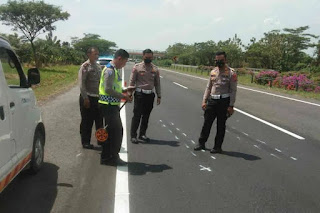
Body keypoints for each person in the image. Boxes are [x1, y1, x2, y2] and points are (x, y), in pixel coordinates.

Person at [194, 51, 237, 154]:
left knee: (220, 125)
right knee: (206, 123)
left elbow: (233, 90)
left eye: (221, 60)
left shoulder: (231, 73)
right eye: (217, 60)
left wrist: (231, 105)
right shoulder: (213, 72)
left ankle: (217, 147)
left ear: (225, 60)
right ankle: (201, 143)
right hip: (212, 100)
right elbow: (208, 87)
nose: (218, 62)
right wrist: (204, 100)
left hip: (224, 101)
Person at [99, 49, 132, 165]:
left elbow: (114, 87)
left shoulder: (115, 70)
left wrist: (125, 90)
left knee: (112, 132)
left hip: (112, 105)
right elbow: (108, 89)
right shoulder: (109, 70)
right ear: (119, 58)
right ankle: (110, 157)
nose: (124, 64)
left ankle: (108, 157)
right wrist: (123, 96)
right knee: (116, 132)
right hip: (108, 105)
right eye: (125, 61)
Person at [129, 49, 161, 144]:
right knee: (137, 115)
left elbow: (157, 83)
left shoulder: (155, 69)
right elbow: (132, 81)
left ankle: (142, 134)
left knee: (146, 116)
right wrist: (130, 93)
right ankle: (133, 135)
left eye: (150, 57)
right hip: (140, 94)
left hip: (150, 95)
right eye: (147, 57)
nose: (149, 59)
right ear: (143, 56)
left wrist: (159, 95)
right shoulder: (137, 67)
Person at [79, 47, 103, 149]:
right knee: (87, 122)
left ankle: (101, 141)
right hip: (88, 98)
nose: (97, 56)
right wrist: (85, 98)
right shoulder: (85, 66)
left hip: (98, 98)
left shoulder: (98, 66)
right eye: (95, 54)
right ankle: (85, 142)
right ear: (89, 54)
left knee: (99, 121)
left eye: (98, 54)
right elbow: (82, 84)